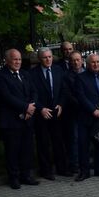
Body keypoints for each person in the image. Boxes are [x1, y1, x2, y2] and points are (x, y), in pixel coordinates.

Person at [0, 48, 38, 189]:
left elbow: (34, 91)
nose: (17, 62)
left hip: (27, 119)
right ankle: (14, 178)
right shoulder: (0, 76)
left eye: (19, 59)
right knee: (12, 150)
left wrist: (31, 107)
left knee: (27, 149)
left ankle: (26, 175)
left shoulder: (25, 74)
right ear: (7, 60)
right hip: (11, 121)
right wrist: (25, 107)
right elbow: (6, 97)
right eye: (14, 59)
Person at [74, 53, 99, 181]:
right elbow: (81, 96)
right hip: (86, 117)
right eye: (93, 62)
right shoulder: (80, 78)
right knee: (83, 145)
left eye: (98, 62)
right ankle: (84, 171)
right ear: (87, 63)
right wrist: (93, 110)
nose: (96, 64)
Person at [30, 48, 70, 179]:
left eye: (50, 57)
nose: (48, 60)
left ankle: (62, 169)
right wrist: (41, 108)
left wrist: (61, 105)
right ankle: (46, 171)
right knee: (43, 143)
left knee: (59, 141)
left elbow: (64, 90)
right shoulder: (33, 74)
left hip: (57, 111)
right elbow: (32, 94)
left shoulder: (59, 70)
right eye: (45, 57)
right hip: (42, 113)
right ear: (40, 59)